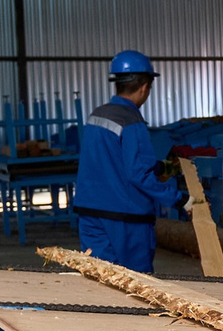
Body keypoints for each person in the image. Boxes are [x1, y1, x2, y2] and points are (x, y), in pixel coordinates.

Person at [71, 51, 186, 274]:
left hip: (90, 216)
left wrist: (159, 167)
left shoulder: (97, 116)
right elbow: (137, 174)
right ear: (144, 87)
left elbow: (110, 160)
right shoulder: (132, 122)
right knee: (135, 285)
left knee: (99, 279)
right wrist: (180, 200)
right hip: (125, 220)